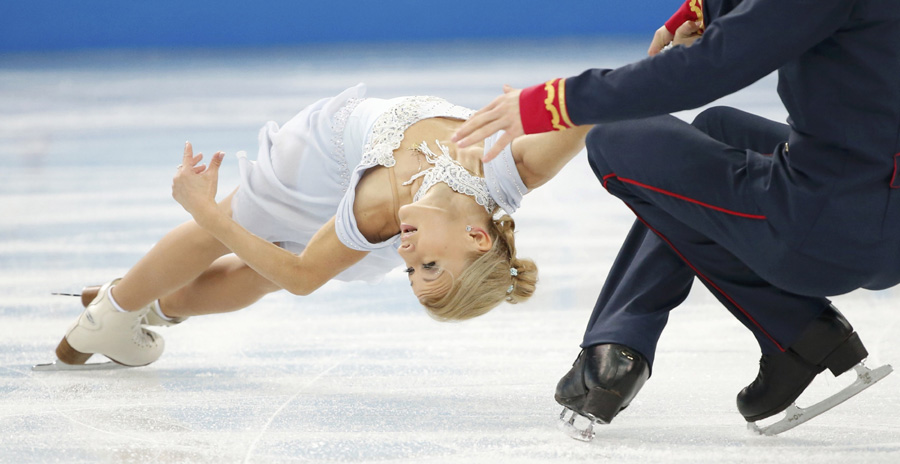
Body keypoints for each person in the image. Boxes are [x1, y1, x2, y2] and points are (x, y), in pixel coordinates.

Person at [453, 0, 899, 426]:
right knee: (719, 130)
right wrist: (702, 10)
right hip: (885, 215)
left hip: (823, 229)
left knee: (616, 139)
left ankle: (791, 331)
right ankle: (626, 339)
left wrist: (553, 102)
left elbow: (711, 67)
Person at [56, 84, 592, 368]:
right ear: (476, 237)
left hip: (375, 200)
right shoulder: (510, 172)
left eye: (411, 275)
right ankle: (116, 311)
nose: (407, 259)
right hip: (323, 156)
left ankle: (152, 306)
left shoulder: (382, 222)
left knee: (264, 268)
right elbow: (591, 107)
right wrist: (659, 58)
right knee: (246, 221)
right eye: (428, 265)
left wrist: (204, 209)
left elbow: (300, 277)